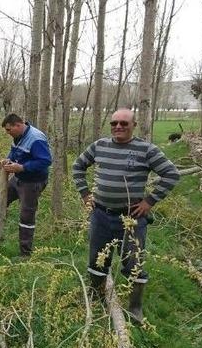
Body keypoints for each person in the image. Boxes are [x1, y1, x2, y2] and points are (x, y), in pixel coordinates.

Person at [72, 109, 180, 324]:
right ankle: (96, 296)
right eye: (114, 123)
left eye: (123, 123)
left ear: (134, 125)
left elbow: (172, 174)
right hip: (101, 215)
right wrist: (85, 194)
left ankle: (135, 307)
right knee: (97, 258)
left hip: (131, 219)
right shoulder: (99, 146)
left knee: (134, 262)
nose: (118, 127)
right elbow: (78, 166)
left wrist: (149, 201)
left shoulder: (146, 150)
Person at [0, 113, 52, 257]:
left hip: (32, 182)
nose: (7, 133)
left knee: (26, 214)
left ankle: (25, 252)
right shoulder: (17, 136)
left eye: (9, 130)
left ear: (18, 125)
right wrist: (7, 161)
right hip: (18, 179)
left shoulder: (36, 139)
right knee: (0, 200)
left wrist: (22, 167)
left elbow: (45, 161)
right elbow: (14, 152)